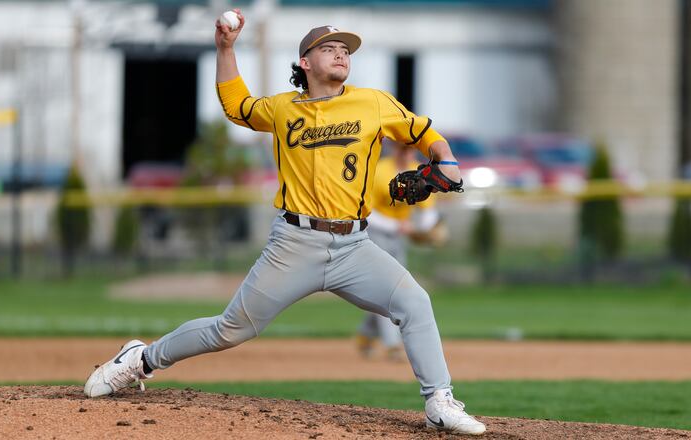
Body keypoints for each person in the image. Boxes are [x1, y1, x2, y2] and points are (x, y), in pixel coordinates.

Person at [84, 11, 485, 436]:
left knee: (415, 303)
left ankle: (439, 401)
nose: (340, 54)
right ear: (305, 64)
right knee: (232, 329)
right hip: (294, 243)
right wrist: (225, 49)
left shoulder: (373, 102)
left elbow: (424, 131)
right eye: (328, 48)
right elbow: (237, 106)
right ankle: (141, 359)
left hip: (355, 247)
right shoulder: (281, 108)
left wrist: (447, 161)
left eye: (345, 50)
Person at [356, 140, 444, 362]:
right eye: (402, 148)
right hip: (373, 234)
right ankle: (393, 344)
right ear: (394, 149)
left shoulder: (419, 173)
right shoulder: (379, 170)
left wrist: (421, 228)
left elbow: (428, 212)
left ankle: (366, 334)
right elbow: (366, 212)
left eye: (409, 149)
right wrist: (399, 226)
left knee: (391, 288)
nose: (406, 153)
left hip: (398, 238)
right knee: (388, 288)